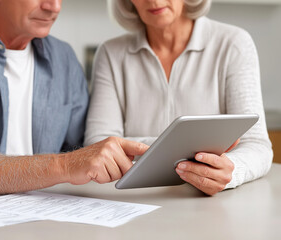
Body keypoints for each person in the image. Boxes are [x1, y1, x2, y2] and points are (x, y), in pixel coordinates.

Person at [0, 0, 149, 196]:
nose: (53, 6)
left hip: (40, 219)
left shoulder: (64, 58)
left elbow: (83, 153)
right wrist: (64, 166)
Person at [85, 0, 273, 196]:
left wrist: (231, 170)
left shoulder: (233, 43)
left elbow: (257, 144)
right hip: (133, 200)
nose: (154, 1)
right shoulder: (111, 53)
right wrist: (191, 151)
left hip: (209, 205)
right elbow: (97, 145)